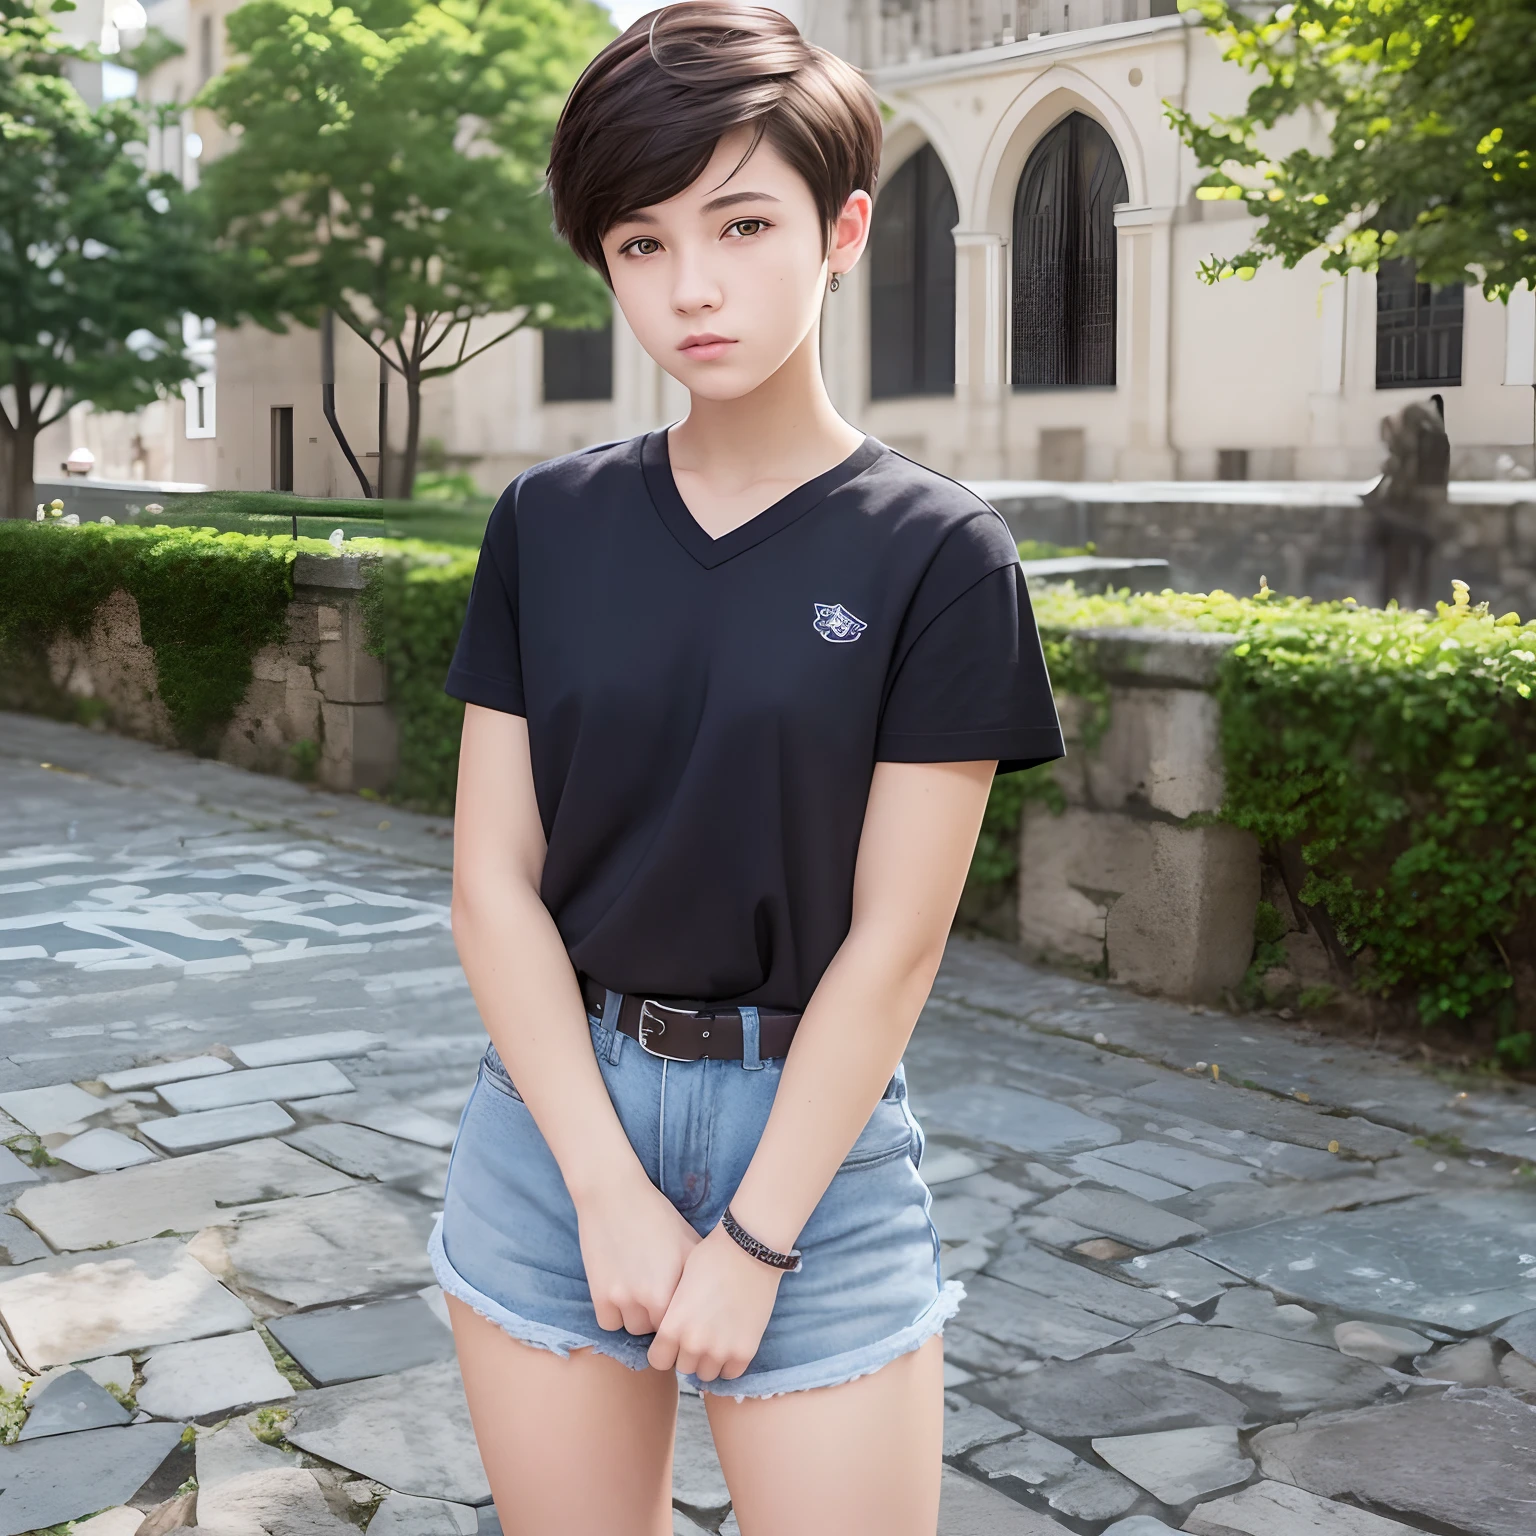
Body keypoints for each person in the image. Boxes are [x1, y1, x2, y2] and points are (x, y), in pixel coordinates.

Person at [433, 6, 1064, 1533]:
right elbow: (490, 882)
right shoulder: (549, 524)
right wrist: (601, 1184)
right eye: (641, 245)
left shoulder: (938, 555)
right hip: (553, 1123)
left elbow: (897, 939)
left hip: (817, 1149)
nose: (691, 287)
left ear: (842, 229)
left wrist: (758, 1236)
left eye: (741, 223)